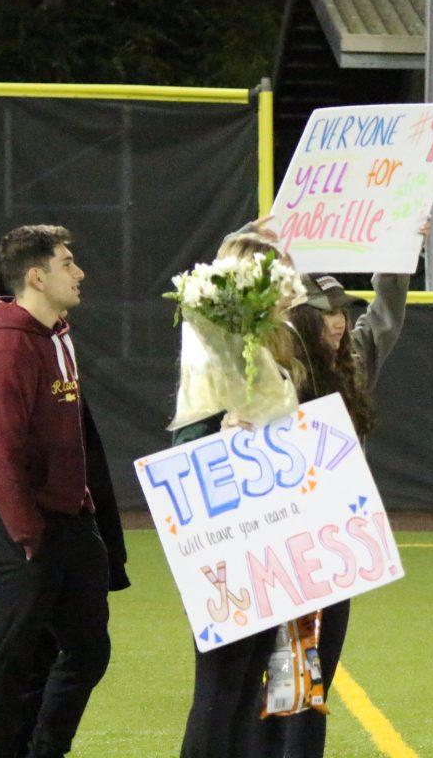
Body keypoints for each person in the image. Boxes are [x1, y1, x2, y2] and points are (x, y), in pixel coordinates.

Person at [0, 225, 111, 758]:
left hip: (68, 522)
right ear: (35, 275)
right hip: (17, 527)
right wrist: (28, 536)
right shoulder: (6, 350)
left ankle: (42, 751)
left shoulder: (56, 335)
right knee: (8, 662)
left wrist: (81, 509)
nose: (79, 272)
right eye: (67, 263)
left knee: (88, 650)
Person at [256, 265, 411, 758]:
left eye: (341, 310)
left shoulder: (353, 362)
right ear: (297, 318)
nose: (339, 322)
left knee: (309, 670)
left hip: (331, 547)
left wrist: (397, 259)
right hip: (282, 545)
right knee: (286, 669)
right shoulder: (272, 372)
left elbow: (385, 316)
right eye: (324, 314)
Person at [176, 225, 304, 758]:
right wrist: (220, 434)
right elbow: (188, 435)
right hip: (227, 535)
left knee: (248, 679)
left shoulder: (262, 349)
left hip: (265, 529)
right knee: (222, 681)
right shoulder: (213, 351)